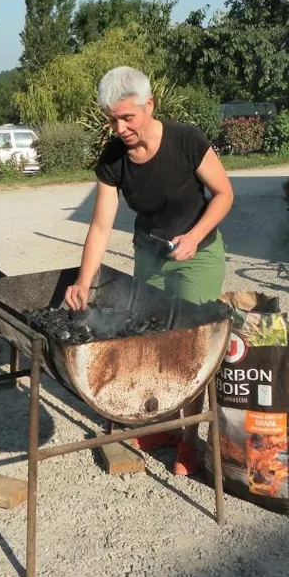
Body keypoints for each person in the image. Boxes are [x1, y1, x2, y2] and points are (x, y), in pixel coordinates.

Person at [64, 66, 234, 475]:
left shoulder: (186, 141)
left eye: (128, 118)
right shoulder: (113, 159)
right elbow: (101, 224)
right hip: (151, 254)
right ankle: (162, 424)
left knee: (193, 342)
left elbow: (225, 194)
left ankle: (190, 440)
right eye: (113, 120)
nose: (120, 128)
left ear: (149, 106)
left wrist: (193, 236)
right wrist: (83, 280)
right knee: (154, 336)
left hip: (200, 251)